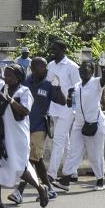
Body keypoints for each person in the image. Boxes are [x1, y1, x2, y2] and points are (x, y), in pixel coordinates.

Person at [0, 62, 46, 208]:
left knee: (19, 167)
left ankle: (41, 188)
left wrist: (10, 99)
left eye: (10, 75)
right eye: (5, 75)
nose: (6, 77)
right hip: (0, 134)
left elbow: (25, 110)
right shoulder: (3, 87)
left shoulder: (24, 91)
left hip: (17, 136)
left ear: (18, 77)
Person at [20, 57, 63, 197]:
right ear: (33, 68)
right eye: (42, 67)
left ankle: (18, 191)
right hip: (24, 126)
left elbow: (62, 101)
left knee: (32, 157)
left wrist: (58, 87)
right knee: (37, 160)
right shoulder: (25, 82)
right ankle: (49, 188)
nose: (45, 69)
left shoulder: (48, 84)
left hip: (40, 127)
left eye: (45, 66)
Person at [64, 60, 105, 191]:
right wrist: (68, 96)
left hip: (95, 123)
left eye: (86, 68)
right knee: (73, 151)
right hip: (79, 123)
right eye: (81, 69)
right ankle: (66, 179)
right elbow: (69, 105)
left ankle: (100, 180)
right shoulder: (77, 86)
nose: (82, 71)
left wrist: (103, 67)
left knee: (95, 153)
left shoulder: (96, 83)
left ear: (92, 70)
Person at [45, 40, 81, 187]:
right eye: (52, 49)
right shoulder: (50, 65)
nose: (53, 51)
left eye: (56, 49)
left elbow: (78, 88)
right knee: (65, 141)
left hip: (67, 108)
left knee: (58, 140)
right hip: (54, 108)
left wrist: (75, 108)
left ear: (64, 50)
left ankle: (51, 174)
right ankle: (72, 172)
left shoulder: (72, 66)